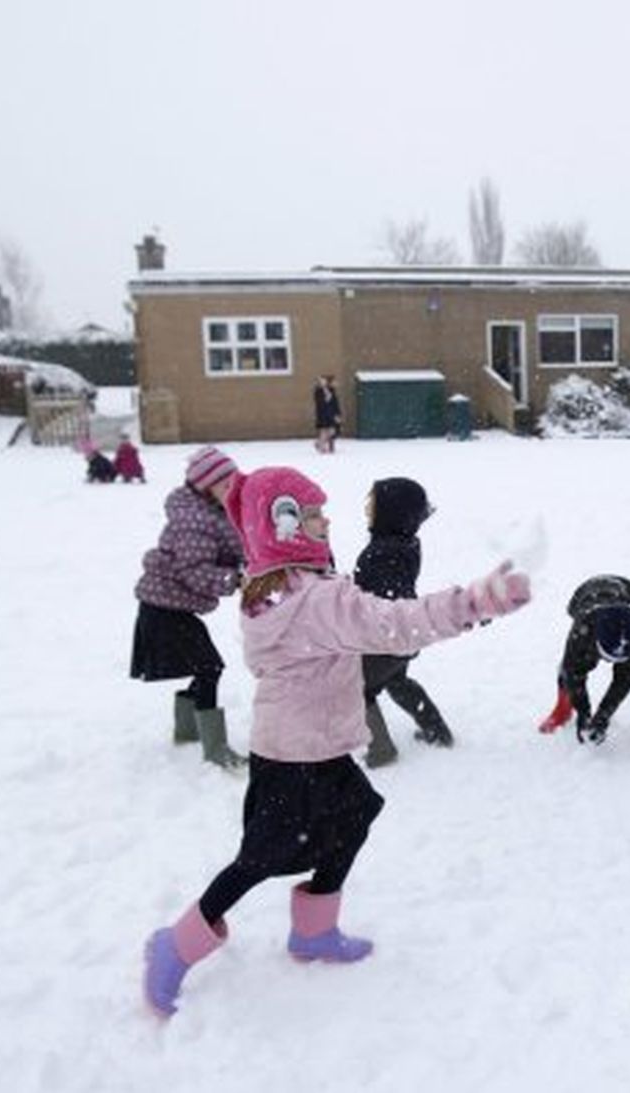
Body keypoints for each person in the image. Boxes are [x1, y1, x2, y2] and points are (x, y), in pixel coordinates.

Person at [142, 465, 531, 1018]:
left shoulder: (276, 585)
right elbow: (395, 622)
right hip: (292, 756)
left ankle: (313, 932)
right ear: (284, 525)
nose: (327, 520)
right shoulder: (313, 600)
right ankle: (175, 946)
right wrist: (476, 602)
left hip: (312, 746)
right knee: (258, 860)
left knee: (355, 815)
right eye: (314, 513)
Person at [129, 446, 245, 767]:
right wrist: (236, 580)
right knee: (209, 667)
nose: (231, 491)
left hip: (172, 606)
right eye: (225, 485)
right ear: (205, 486)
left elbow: (231, 543)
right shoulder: (193, 519)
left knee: (205, 666)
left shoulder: (211, 510)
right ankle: (215, 747)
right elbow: (193, 570)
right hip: (163, 607)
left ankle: (187, 730)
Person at [353, 476, 453, 767]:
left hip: (383, 639)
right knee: (397, 680)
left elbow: (384, 600)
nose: (368, 507)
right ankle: (436, 730)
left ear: (390, 512)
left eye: (373, 503)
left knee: (357, 689)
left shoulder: (381, 552)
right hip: (405, 637)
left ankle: (381, 750)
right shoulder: (405, 542)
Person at [537, 575, 630, 749]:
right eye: (607, 655)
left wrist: (603, 716)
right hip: (586, 594)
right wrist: (583, 713)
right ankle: (562, 709)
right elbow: (573, 673)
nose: (609, 661)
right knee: (571, 666)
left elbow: (624, 679)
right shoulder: (582, 631)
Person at [314, 375, 341, 453]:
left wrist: (337, 414)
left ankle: (319, 443)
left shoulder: (331, 390)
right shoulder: (318, 391)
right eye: (321, 381)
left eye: (324, 381)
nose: (323, 382)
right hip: (322, 413)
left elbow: (335, 403)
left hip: (331, 413)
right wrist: (326, 399)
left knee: (332, 431)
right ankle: (322, 447)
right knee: (324, 431)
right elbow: (319, 403)